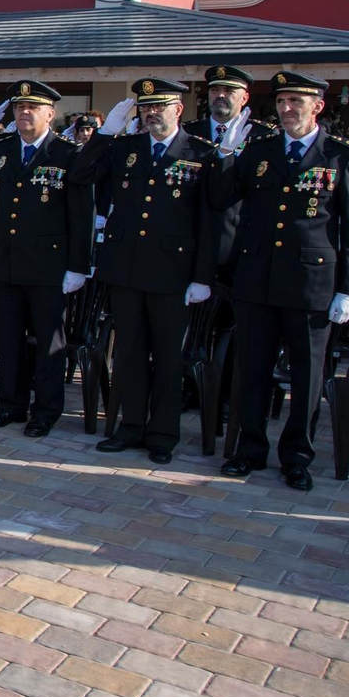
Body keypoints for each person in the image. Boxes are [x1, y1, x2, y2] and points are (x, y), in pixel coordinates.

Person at [208, 70, 349, 493]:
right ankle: (250, 449)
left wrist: (348, 288)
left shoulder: (342, 155)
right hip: (257, 279)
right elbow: (220, 198)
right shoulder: (258, 150)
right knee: (253, 369)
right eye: (281, 102)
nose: (287, 109)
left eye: (296, 102)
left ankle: (297, 456)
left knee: (306, 375)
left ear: (317, 107)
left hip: (310, 282)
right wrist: (226, 151)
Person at [70, 79, 224, 465]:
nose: (152, 113)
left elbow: (210, 218)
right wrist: (105, 133)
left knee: (167, 356)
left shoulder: (200, 152)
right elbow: (81, 173)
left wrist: (203, 276)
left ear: (179, 110)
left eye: (160, 106)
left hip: (173, 272)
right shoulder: (125, 148)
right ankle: (130, 426)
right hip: (126, 268)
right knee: (128, 353)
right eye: (145, 107)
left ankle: (162, 433)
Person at [0, 81, 94, 436]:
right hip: (5, 261)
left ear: (50, 114)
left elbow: (82, 216)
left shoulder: (68, 154)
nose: (24, 113)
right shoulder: (2, 150)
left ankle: (46, 410)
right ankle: (10, 405)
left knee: (48, 343)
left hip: (49, 266)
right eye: (19, 107)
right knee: (7, 340)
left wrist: (78, 266)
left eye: (32, 107)